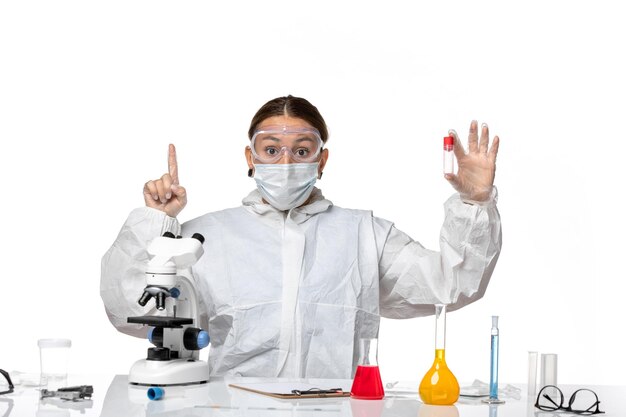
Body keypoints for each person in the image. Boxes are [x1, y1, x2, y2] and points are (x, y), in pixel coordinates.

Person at [101, 95, 501, 379]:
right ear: (250, 158)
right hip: (231, 409)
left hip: (338, 410)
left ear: (321, 159)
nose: (286, 162)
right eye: (271, 150)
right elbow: (129, 312)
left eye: (302, 149)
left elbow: (452, 284)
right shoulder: (209, 237)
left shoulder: (364, 235)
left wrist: (475, 202)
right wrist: (156, 221)